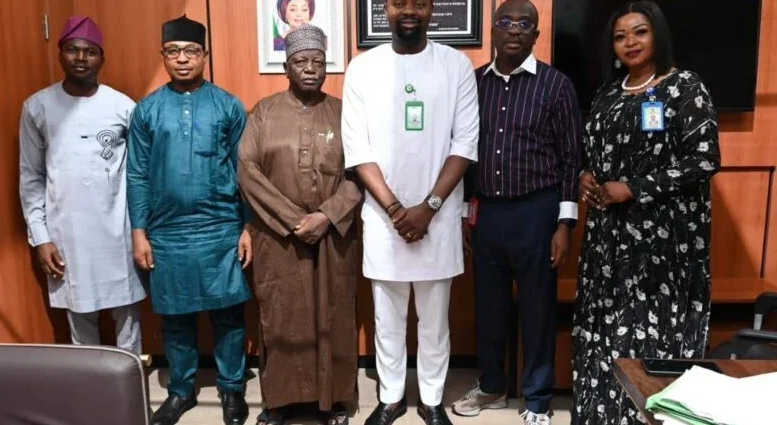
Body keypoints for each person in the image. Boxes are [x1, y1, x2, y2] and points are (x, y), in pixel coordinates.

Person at [571, 2, 720, 424]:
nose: (630, 43)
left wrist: (634, 188)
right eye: (620, 37)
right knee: (606, 328)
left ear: (658, 35)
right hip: (608, 240)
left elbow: (704, 160)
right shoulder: (608, 92)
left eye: (640, 32)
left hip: (664, 241)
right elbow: (596, 153)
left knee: (651, 335)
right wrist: (588, 176)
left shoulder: (684, 87)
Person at [341, 1, 479, 424]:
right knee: (388, 320)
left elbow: (465, 144)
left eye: (419, 3)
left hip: (437, 219)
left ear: (432, 9)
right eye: (400, 2)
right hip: (386, 221)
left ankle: (432, 400)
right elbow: (358, 149)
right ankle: (392, 397)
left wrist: (429, 207)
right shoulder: (362, 68)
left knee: (435, 322)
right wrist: (399, 210)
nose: (409, 11)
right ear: (386, 8)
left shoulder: (456, 65)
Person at [452, 1, 582, 424]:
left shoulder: (556, 85)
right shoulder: (473, 85)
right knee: (488, 308)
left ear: (536, 36)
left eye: (524, 24)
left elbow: (570, 160)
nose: (513, 29)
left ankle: (538, 399)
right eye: (505, 21)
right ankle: (492, 386)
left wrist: (564, 225)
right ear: (492, 29)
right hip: (487, 212)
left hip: (536, 212)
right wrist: (466, 215)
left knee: (537, 309)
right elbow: (465, 155)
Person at [126, 15, 253, 425]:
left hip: (221, 227)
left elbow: (244, 171)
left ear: (205, 56)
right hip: (167, 232)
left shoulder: (228, 105)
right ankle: (181, 392)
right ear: (163, 56)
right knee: (176, 317)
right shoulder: (147, 111)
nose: (182, 60)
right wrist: (139, 233)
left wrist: (247, 226)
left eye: (191, 52)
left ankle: (232, 390)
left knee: (229, 316)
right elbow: (137, 174)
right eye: (173, 52)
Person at [239, 24, 361, 425]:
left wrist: (326, 216)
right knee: (281, 316)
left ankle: (335, 400)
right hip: (278, 237)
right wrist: (295, 220)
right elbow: (247, 170)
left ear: (326, 68)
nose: (310, 68)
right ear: (286, 68)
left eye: (317, 62)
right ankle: (279, 403)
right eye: (300, 62)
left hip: (334, 235)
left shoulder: (344, 113)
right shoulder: (263, 112)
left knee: (334, 314)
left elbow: (361, 171)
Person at [19, 16, 146, 355]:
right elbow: (30, 176)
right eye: (72, 50)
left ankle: (129, 384)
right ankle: (91, 390)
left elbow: (139, 175)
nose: (80, 58)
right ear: (60, 54)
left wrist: (142, 232)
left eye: (89, 52)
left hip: (118, 230)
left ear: (101, 58)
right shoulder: (37, 107)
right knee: (79, 314)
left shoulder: (123, 106)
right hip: (67, 233)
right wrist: (41, 237)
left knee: (127, 314)